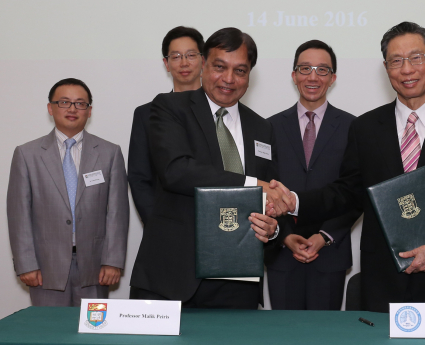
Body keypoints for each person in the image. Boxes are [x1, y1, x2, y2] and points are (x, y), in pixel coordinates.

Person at [266, 22, 425, 313]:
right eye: (396, 61)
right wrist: (294, 202)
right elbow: (348, 192)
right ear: (386, 68)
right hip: (385, 280)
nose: (407, 69)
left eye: (416, 58)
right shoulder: (365, 127)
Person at [129, 28, 280, 310]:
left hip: (238, 280)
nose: (228, 79)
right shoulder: (170, 108)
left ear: (250, 75)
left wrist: (272, 229)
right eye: (219, 67)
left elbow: (268, 196)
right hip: (172, 276)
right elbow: (177, 171)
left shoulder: (263, 128)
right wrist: (252, 184)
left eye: (240, 70)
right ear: (204, 65)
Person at [7, 78, 129, 306]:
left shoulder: (110, 153)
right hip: (45, 267)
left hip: (96, 268)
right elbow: (18, 215)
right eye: (64, 102)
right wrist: (26, 263)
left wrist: (112, 261)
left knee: (93, 335)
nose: (72, 109)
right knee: (49, 336)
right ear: (50, 108)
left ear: (89, 111)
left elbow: (117, 213)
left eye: (80, 103)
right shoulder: (27, 154)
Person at [267, 40, 358, 310]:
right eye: (305, 68)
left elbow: (356, 190)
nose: (313, 76)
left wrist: (325, 235)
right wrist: (283, 234)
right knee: (283, 340)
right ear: (294, 75)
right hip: (281, 251)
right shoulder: (268, 127)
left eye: (322, 70)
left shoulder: (354, 127)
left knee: (326, 341)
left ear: (333, 78)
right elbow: (263, 188)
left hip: (330, 252)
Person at [128, 26, 204, 226]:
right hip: (165, 226)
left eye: (191, 55)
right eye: (176, 56)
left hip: (216, 222)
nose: (184, 63)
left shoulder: (221, 111)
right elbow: (139, 177)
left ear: (203, 60)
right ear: (166, 63)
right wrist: (156, 223)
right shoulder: (146, 114)